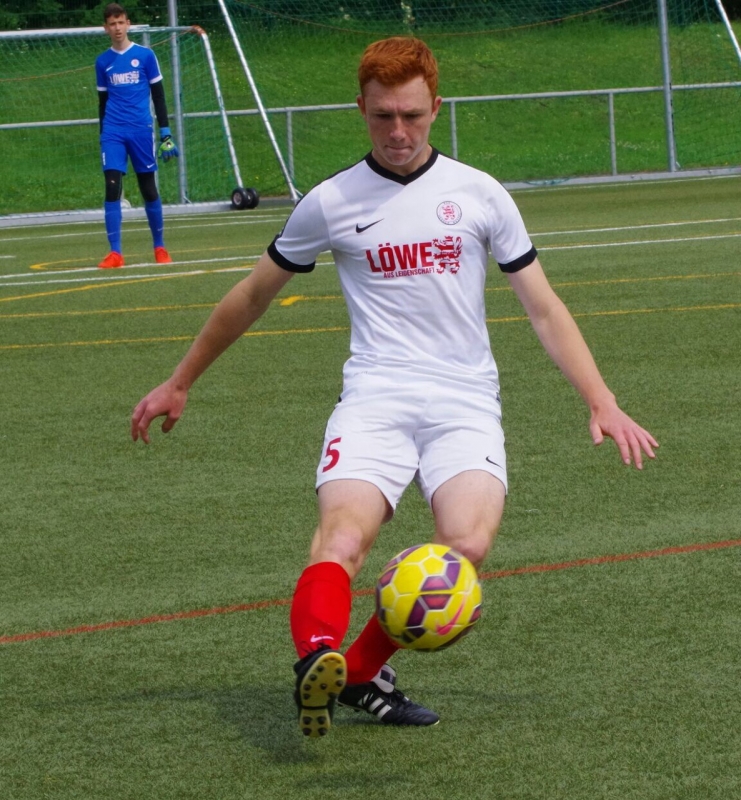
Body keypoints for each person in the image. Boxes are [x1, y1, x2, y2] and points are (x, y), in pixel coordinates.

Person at [131, 37, 658, 738]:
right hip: (375, 397)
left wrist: (601, 398)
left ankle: (355, 671)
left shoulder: (479, 194)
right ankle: (317, 656)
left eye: (411, 115)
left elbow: (542, 307)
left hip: (464, 400)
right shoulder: (331, 201)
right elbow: (253, 294)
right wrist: (180, 381)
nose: (398, 132)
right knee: (342, 538)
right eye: (383, 116)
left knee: (465, 546)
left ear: (436, 107)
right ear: (361, 109)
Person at [95, 3, 179, 269]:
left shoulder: (145, 56)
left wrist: (165, 132)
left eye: (121, 22)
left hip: (141, 130)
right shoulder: (102, 62)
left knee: (148, 188)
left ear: (128, 24)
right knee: (112, 186)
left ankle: (160, 247)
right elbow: (102, 102)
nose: (117, 28)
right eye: (112, 24)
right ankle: (115, 253)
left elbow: (159, 95)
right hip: (113, 132)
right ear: (106, 28)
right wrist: (103, 134)